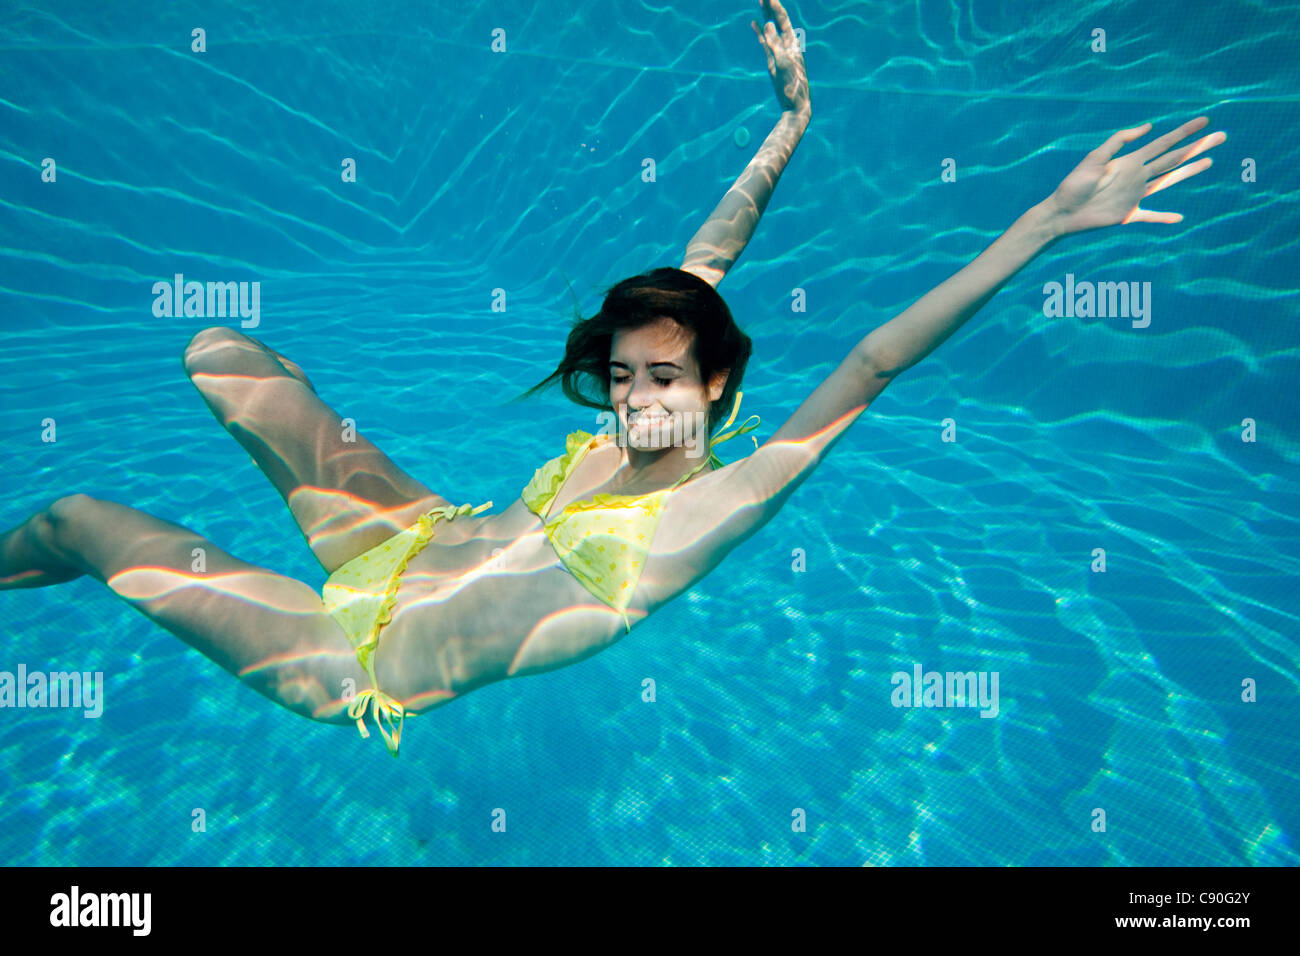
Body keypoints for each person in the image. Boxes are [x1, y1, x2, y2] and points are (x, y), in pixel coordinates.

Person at [0, 0, 1225, 756]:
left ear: (723, 395)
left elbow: (875, 355)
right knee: (219, 354)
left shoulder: (723, 502)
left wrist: (1044, 225)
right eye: (625, 375)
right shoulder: (632, 421)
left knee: (80, 520)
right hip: (407, 534)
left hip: (350, 655)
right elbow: (712, 250)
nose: (637, 399)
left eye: (666, 382)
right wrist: (793, 119)